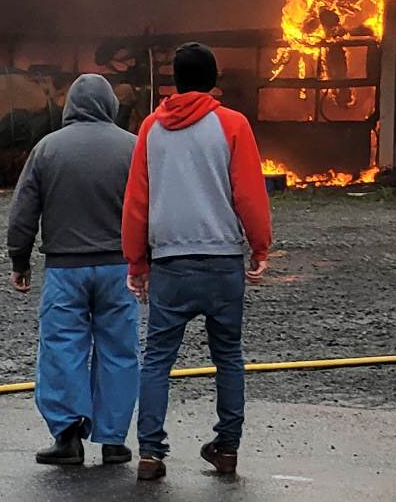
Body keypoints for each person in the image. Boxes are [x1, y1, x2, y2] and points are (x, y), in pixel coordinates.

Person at [122, 43, 272, 483]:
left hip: (170, 262)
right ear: (214, 82)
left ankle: (150, 453)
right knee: (228, 355)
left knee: (157, 360)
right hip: (223, 260)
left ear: (174, 81)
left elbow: (136, 202)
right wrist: (260, 247)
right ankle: (226, 447)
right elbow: (248, 193)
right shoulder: (232, 124)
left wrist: (136, 262)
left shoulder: (151, 128)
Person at [7, 72, 140, 467]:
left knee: (63, 347)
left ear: (70, 107)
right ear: (111, 106)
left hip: (66, 270)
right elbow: (150, 210)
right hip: (120, 269)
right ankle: (114, 440)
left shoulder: (48, 149)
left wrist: (20, 259)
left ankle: (67, 437)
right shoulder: (133, 148)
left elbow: (23, 212)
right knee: (120, 351)